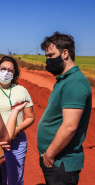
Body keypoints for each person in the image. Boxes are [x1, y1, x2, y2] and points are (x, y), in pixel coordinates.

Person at [37, 31, 92, 185]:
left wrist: (49, 154)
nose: (48, 60)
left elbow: (69, 127)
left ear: (65, 53)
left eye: (50, 55)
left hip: (61, 163)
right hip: (57, 161)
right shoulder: (64, 80)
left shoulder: (74, 83)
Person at [0, 56, 35, 185]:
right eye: (3, 69)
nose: (6, 73)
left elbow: (30, 117)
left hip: (16, 143)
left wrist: (17, 130)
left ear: (15, 73)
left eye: (10, 70)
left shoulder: (22, 91)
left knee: (15, 179)